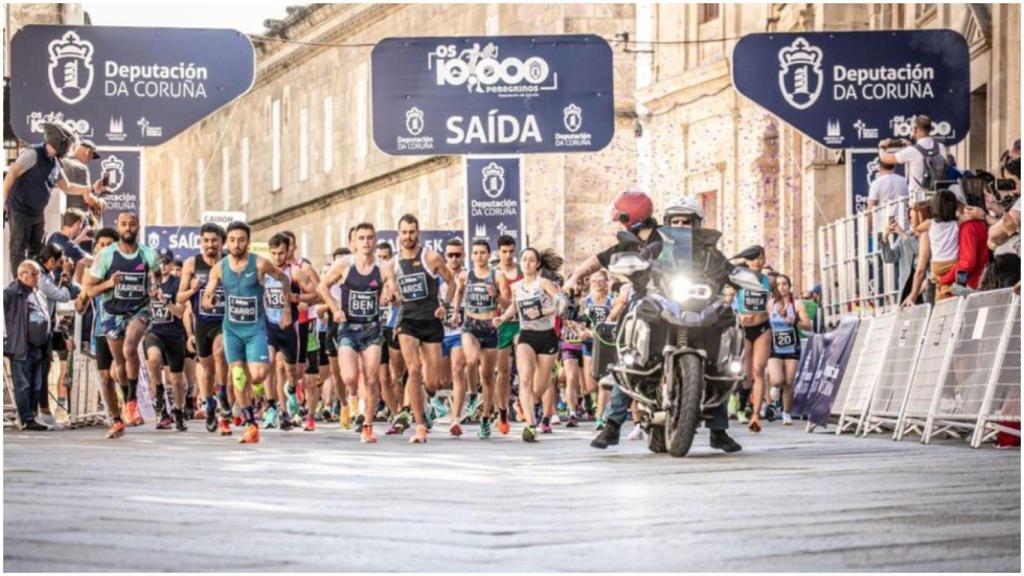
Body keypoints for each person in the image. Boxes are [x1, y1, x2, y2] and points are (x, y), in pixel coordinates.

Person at [202, 221, 293, 444]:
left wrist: (286, 309)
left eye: (241, 240)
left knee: (259, 374)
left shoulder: (260, 264)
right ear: (227, 242)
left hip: (255, 329)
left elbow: (283, 278)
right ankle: (251, 424)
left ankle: (253, 399)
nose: (236, 244)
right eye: (232, 240)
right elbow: (207, 297)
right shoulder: (219, 267)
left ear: (248, 242)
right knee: (239, 375)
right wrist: (209, 299)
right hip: (231, 330)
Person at [84, 212, 161, 436]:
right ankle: (119, 415)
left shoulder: (148, 254)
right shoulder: (106, 256)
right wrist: (109, 282)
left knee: (130, 348)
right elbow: (90, 290)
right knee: (118, 363)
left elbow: (157, 277)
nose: (128, 228)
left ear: (138, 226)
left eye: (132, 224)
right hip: (111, 313)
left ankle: (131, 400)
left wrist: (155, 286)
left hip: (139, 309)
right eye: (124, 224)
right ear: (118, 227)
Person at [318, 223, 396, 443]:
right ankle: (352, 396)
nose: (366, 242)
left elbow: (392, 290)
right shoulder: (344, 265)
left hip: (372, 329)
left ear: (375, 240)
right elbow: (322, 287)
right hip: (348, 329)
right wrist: (334, 309)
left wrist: (389, 295)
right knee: (350, 377)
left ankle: (367, 426)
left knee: (371, 379)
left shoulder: (383, 267)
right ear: (353, 242)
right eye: (361, 238)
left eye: (370, 237)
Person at [4, 122, 106, 277]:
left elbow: (67, 186)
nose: (69, 149)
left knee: (38, 250)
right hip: (20, 209)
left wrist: (91, 188)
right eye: (68, 144)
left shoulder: (56, 163)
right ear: (59, 141)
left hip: (36, 212)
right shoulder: (33, 154)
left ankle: (35, 282)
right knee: (18, 249)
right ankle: (19, 286)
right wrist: (2, 202)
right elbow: (12, 173)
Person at [389, 214, 457, 444]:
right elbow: (391, 293)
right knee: (414, 368)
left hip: (431, 322)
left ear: (418, 232)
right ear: (398, 235)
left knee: (433, 383)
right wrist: (390, 296)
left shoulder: (430, 257)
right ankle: (419, 425)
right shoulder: (393, 264)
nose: (408, 236)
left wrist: (445, 307)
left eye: (412, 232)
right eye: (404, 232)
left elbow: (453, 283)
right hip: (407, 320)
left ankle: (427, 405)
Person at [493, 248, 564, 442]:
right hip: (526, 335)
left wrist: (542, 311)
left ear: (538, 264)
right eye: (524, 260)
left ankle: (527, 404)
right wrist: (503, 318)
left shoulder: (544, 283)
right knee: (524, 378)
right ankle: (530, 425)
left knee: (538, 389)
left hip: (547, 336)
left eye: (532, 260)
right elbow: (515, 306)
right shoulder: (517, 287)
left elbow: (562, 305)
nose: (527, 263)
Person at [177, 223, 231, 434]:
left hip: (224, 320)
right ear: (201, 242)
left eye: (214, 240)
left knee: (221, 353)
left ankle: (223, 394)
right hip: (202, 322)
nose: (210, 245)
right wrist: (192, 290)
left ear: (221, 242)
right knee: (207, 369)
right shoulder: (192, 264)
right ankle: (209, 404)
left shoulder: (229, 262)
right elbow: (179, 299)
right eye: (206, 241)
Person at [454, 239, 509, 439]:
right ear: (471, 255)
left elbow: (508, 302)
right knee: (470, 360)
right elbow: (458, 292)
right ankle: (471, 393)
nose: (479, 256)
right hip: (471, 325)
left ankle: (485, 418)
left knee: (487, 376)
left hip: (490, 327)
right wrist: (454, 313)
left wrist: (497, 297)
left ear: (489, 254)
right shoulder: (465, 275)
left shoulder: (497, 275)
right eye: (475, 252)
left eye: (482, 252)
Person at [144, 250, 190, 432]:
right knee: (153, 359)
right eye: (159, 262)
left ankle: (178, 412)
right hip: (155, 331)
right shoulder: (148, 283)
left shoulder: (177, 284)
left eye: (166, 262)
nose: (162, 266)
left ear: (171, 265)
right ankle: (159, 394)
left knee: (177, 379)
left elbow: (180, 312)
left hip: (174, 334)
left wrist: (165, 303)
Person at [262, 233, 304, 430]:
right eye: (274, 253)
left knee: (291, 370)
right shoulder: (263, 271)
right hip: (269, 324)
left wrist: (297, 298)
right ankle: (271, 407)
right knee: (269, 363)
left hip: (289, 327)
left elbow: (317, 294)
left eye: (281, 253)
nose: (277, 257)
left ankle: (292, 390)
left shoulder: (295, 272)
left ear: (288, 251)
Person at [4, 261, 53, 430]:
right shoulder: (10, 293)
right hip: (21, 347)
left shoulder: (38, 294)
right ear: (21, 274)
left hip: (39, 348)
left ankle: (31, 415)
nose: (36, 278)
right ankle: (26, 418)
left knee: (37, 384)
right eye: (33, 274)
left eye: (38, 274)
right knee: (23, 384)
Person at [436, 237, 472, 437]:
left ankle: (456, 419)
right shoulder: (438, 277)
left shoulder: (468, 277)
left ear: (463, 256)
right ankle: (433, 405)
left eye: (458, 255)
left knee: (458, 371)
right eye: (450, 255)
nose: (454, 259)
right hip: (439, 333)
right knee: (439, 380)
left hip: (460, 332)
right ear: (445, 256)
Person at [766, 274, 812, 426]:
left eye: (785, 284)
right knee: (777, 380)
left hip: (792, 346)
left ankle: (786, 413)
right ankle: (774, 390)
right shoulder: (770, 304)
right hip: (774, 345)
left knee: (789, 381)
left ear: (789, 286)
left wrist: (794, 321)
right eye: (778, 284)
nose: (782, 287)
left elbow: (808, 325)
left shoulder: (797, 304)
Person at [878, 115, 948, 201]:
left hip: (919, 201)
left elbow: (886, 159)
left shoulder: (912, 151)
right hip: (938, 199)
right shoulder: (941, 147)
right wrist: (910, 148)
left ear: (915, 129)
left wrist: (882, 146)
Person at [492, 234, 522, 435]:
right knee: (503, 372)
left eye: (511, 251)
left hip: (521, 323)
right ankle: (502, 412)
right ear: (498, 252)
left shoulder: (523, 271)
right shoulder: (493, 274)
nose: (508, 255)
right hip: (502, 325)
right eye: (504, 252)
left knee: (524, 368)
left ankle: (523, 403)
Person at [61, 139, 102, 213]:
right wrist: (100, 202)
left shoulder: (60, 162)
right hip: (78, 215)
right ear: (87, 152)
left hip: (60, 213)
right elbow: (88, 198)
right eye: (91, 156)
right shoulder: (82, 168)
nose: (90, 160)